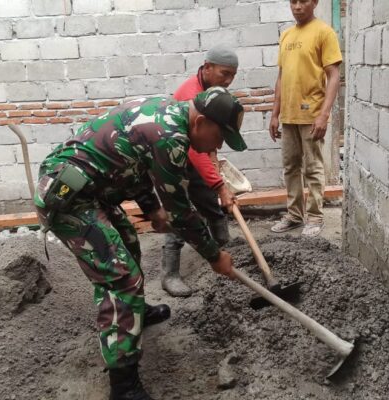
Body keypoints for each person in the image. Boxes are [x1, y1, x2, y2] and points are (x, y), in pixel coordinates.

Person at [33, 86, 246, 400]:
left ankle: (137, 313)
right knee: (120, 278)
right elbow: (182, 212)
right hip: (69, 198)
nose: (218, 146)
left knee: (128, 242)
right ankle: (123, 385)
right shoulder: (171, 137)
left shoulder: (167, 110)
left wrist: (150, 209)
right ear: (200, 123)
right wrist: (214, 255)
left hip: (93, 190)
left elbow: (135, 164)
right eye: (220, 137)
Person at [162, 44, 240, 297]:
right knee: (179, 215)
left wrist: (216, 180)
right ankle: (170, 275)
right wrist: (220, 185)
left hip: (195, 159)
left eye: (232, 76)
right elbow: (196, 150)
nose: (228, 81)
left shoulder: (213, 94)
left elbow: (209, 144)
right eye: (224, 74)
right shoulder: (191, 95)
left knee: (212, 205)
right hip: (176, 160)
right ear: (207, 68)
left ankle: (225, 249)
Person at [269, 0, 342, 237]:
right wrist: (275, 113)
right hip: (289, 114)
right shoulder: (286, 35)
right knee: (290, 166)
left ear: (315, 3)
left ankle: (315, 217)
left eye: (303, 1)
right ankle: (294, 215)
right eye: (293, 1)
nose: (297, 6)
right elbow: (281, 77)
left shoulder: (324, 32)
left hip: (311, 114)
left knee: (313, 167)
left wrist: (324, 114)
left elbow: (333, 76)